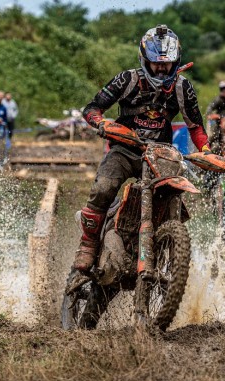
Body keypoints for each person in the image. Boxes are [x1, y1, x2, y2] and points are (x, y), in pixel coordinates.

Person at [74, 24, 210, 273]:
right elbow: (91, 108)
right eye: (156, 63)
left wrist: (207, 151)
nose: (161, 68)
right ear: (144, 59)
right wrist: (101, 123)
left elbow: (196, 126)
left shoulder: (183, 87)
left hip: (160, 153)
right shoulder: (127, 79)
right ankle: (89, 243)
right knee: (104, 188)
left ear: (175, 61)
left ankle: (169, 248)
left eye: (166, 64)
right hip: (125, 149)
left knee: (173, 197)